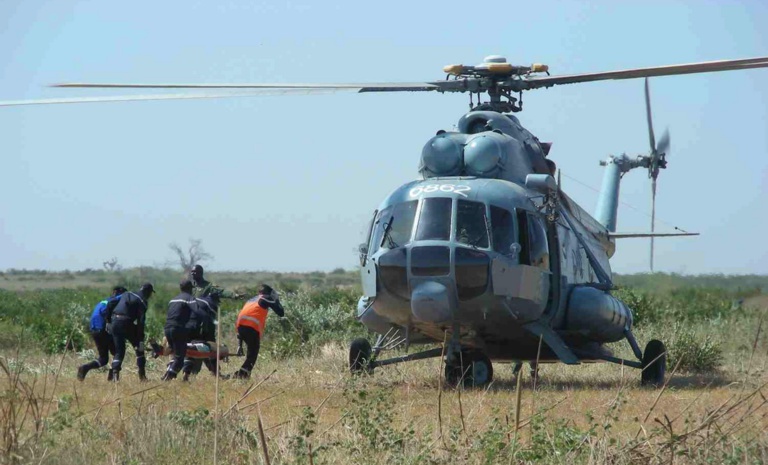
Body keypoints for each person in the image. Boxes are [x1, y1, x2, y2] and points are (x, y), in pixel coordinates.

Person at [232, 285, 285, 379]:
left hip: (240, 328)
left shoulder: (252, 300)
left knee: (251, 354)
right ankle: (241, 375)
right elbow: (281, 312)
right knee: (252, 355)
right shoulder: (266, 298)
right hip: (251, 328)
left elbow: (243, 317)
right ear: (269, 293)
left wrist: (239, 345)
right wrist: (276, 299)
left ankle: (243, 374)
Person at [76, 286, 127, 381]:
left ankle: (85, 368)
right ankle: (113, 377)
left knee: (103, 359)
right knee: (118, 352)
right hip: (104, 329)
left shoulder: (104, 301)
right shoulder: (116, 300)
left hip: (94, 330)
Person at [108, 283, 155, 382]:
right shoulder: (142, 301)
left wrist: (108, 321)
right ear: (148, 292)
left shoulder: (126, 294)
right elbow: (141, 322)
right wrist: (140, 339)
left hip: (115, 322)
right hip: (126, 323)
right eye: (150, 294)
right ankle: (142, 376)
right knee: (139, 349)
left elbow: (111, 303)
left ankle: (115, 375)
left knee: (119, 351)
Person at [181, 294, 226, 380]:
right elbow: (210, 325)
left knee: (189, 349)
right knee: (210, 347)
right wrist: (212, 342)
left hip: (185, 326)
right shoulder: (211, 304)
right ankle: (216, 373)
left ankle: (186, 373)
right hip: (195, 327)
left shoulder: (197, 300)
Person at [161, 279, 196, 381]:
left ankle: (168, 372)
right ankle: (169, 377)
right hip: (178, 329)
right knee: (180, 357)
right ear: (190, 289)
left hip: (167, 328)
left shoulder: (173, 300)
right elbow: (197, 311)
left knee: (174, 353)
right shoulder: (189, 298)